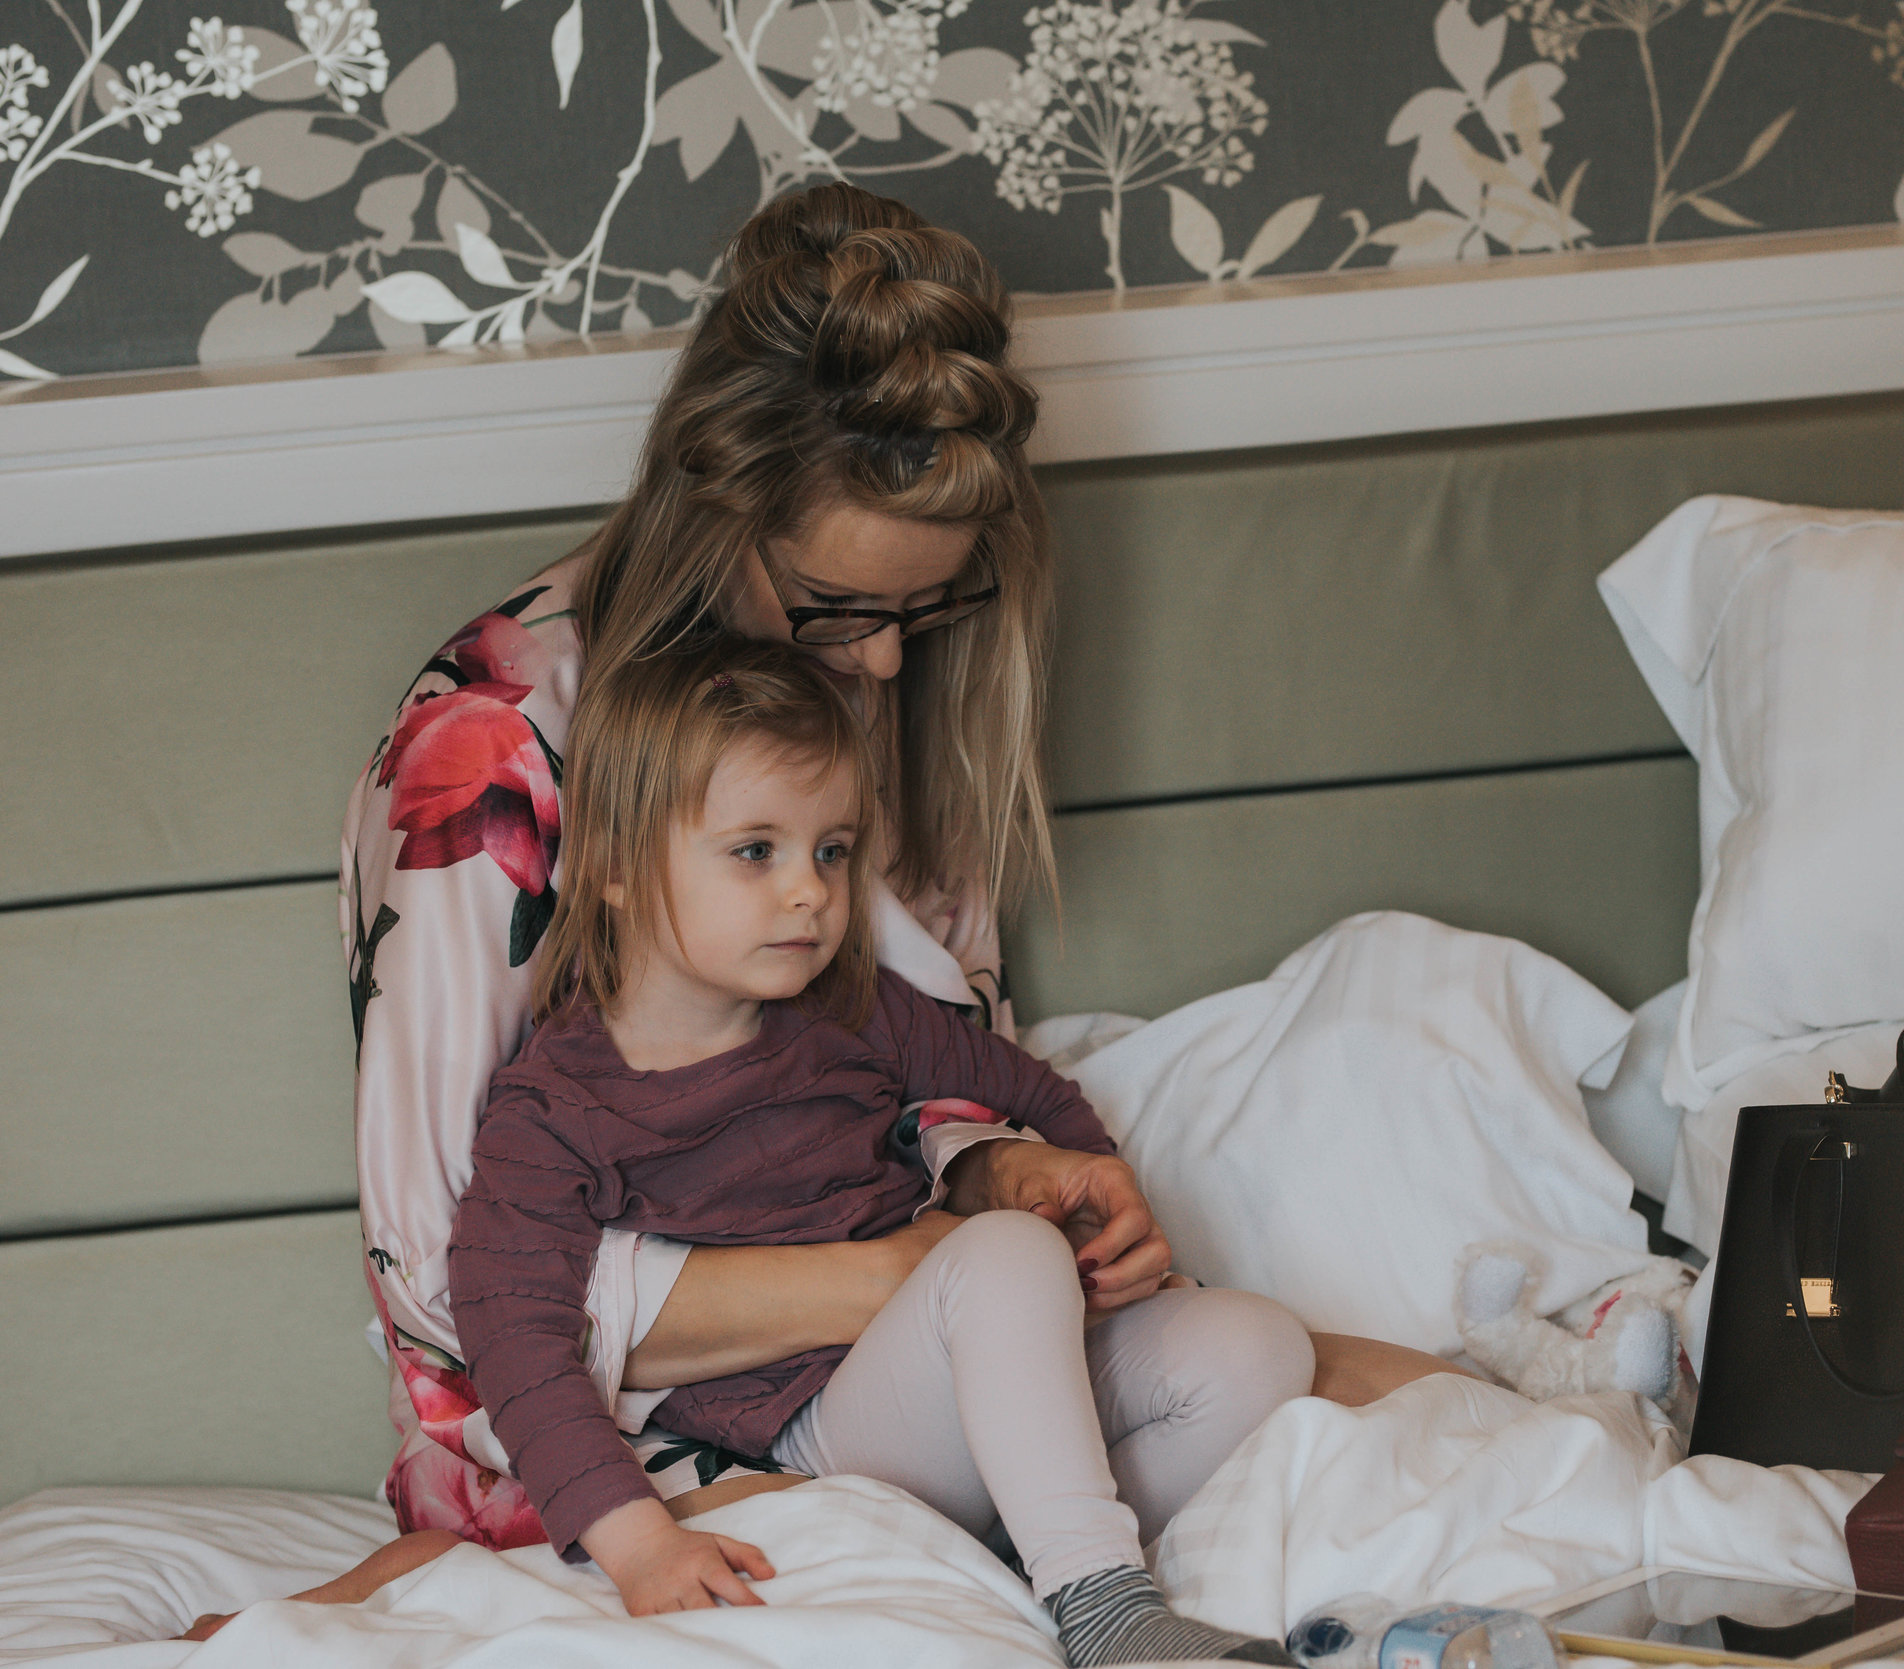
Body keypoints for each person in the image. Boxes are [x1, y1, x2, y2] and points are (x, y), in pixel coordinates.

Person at [342, 180, 1452, 1554]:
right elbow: (453, 1284)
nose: (880, 663)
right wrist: (894, 1276)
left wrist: (1004, 1177)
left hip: (933, 1360)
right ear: (711, 510)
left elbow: (898, 1073)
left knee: (1370, 1385)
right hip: (624, 1464)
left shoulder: (873, 705)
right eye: (841, 607)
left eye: (926, 610)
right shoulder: (495, 746)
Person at [459, 639, 1306, 1663]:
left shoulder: (853, 1011)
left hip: (958, 1406)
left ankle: (1032, 1562)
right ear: (616, 871)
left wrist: (1099, 1178)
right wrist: (640, 1544)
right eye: (755, 851)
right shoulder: (554, 1108)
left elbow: (1033, 1090)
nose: (812, 892)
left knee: (1257, 1350)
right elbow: (514, 1344)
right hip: (815, 1441)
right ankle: (1108, 1608)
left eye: (832, 850)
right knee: (1001, 1253)